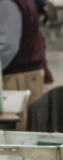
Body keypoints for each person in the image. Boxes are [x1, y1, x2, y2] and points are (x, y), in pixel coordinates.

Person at [0, 0, 53, 130]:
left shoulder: (6, 3)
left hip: (18, 77)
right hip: (24, 73)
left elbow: (7, 47)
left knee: (17, 134)